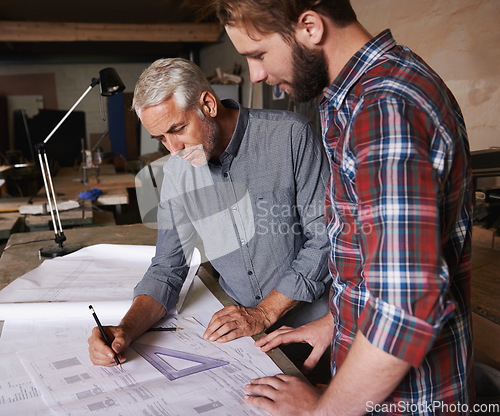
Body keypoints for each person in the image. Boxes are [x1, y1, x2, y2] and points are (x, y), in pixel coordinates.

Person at [211, 0, 473, 415]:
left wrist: (321, 411)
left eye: (258, 54)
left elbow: (403, 312)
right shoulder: (359, 96)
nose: (257, 74)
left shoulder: (383, 110)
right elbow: (385, 259)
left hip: (408, 400)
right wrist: (339, 320)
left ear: (311, 27)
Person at [88, 58, 332, 372]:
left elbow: (325, 239)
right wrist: (126, 329)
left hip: (313, 331)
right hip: (243, 343)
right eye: (161, 138)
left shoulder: (289, 136)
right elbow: (167, 268)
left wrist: (263, 313)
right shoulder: (178, 173)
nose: (173, 150)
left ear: (208, 104)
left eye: (177, 129)